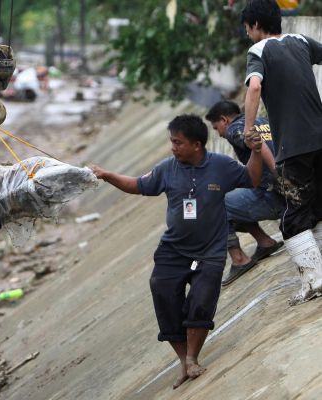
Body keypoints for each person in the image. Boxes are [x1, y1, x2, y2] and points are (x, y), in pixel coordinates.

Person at [91, 114, 263, 389]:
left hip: (210, 250)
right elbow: (138, 185)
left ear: (196, 145)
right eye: (172, 141)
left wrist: (256, 152)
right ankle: (183, 360)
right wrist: (108, 175)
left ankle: (193, 357)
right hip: (174, 251)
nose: (172, 147)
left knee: (201, 301)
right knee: (163, 294)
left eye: (177, 142)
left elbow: (252, 179)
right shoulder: (166, 169)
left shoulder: (221, 166)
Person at [241, 0, 322, 305]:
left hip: (294, 146)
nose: (248, 35)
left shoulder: (259, 52)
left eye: (247, 29)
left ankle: (313, 282)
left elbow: (255, 87)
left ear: (256, 26)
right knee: (318, 206)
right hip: (320, 136)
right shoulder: (300, 41)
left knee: (294, 217)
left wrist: (249, 129)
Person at [205, 100, 285, 286]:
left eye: (216, 128)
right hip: (296, 188)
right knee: (233, 193)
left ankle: (239, 259)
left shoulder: (235, 130)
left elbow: (257, 145)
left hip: (278, 195)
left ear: (224, 120)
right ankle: (265, 242)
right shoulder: (261, 121)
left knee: (212, 204)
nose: (219, 133)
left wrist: (278, 175)